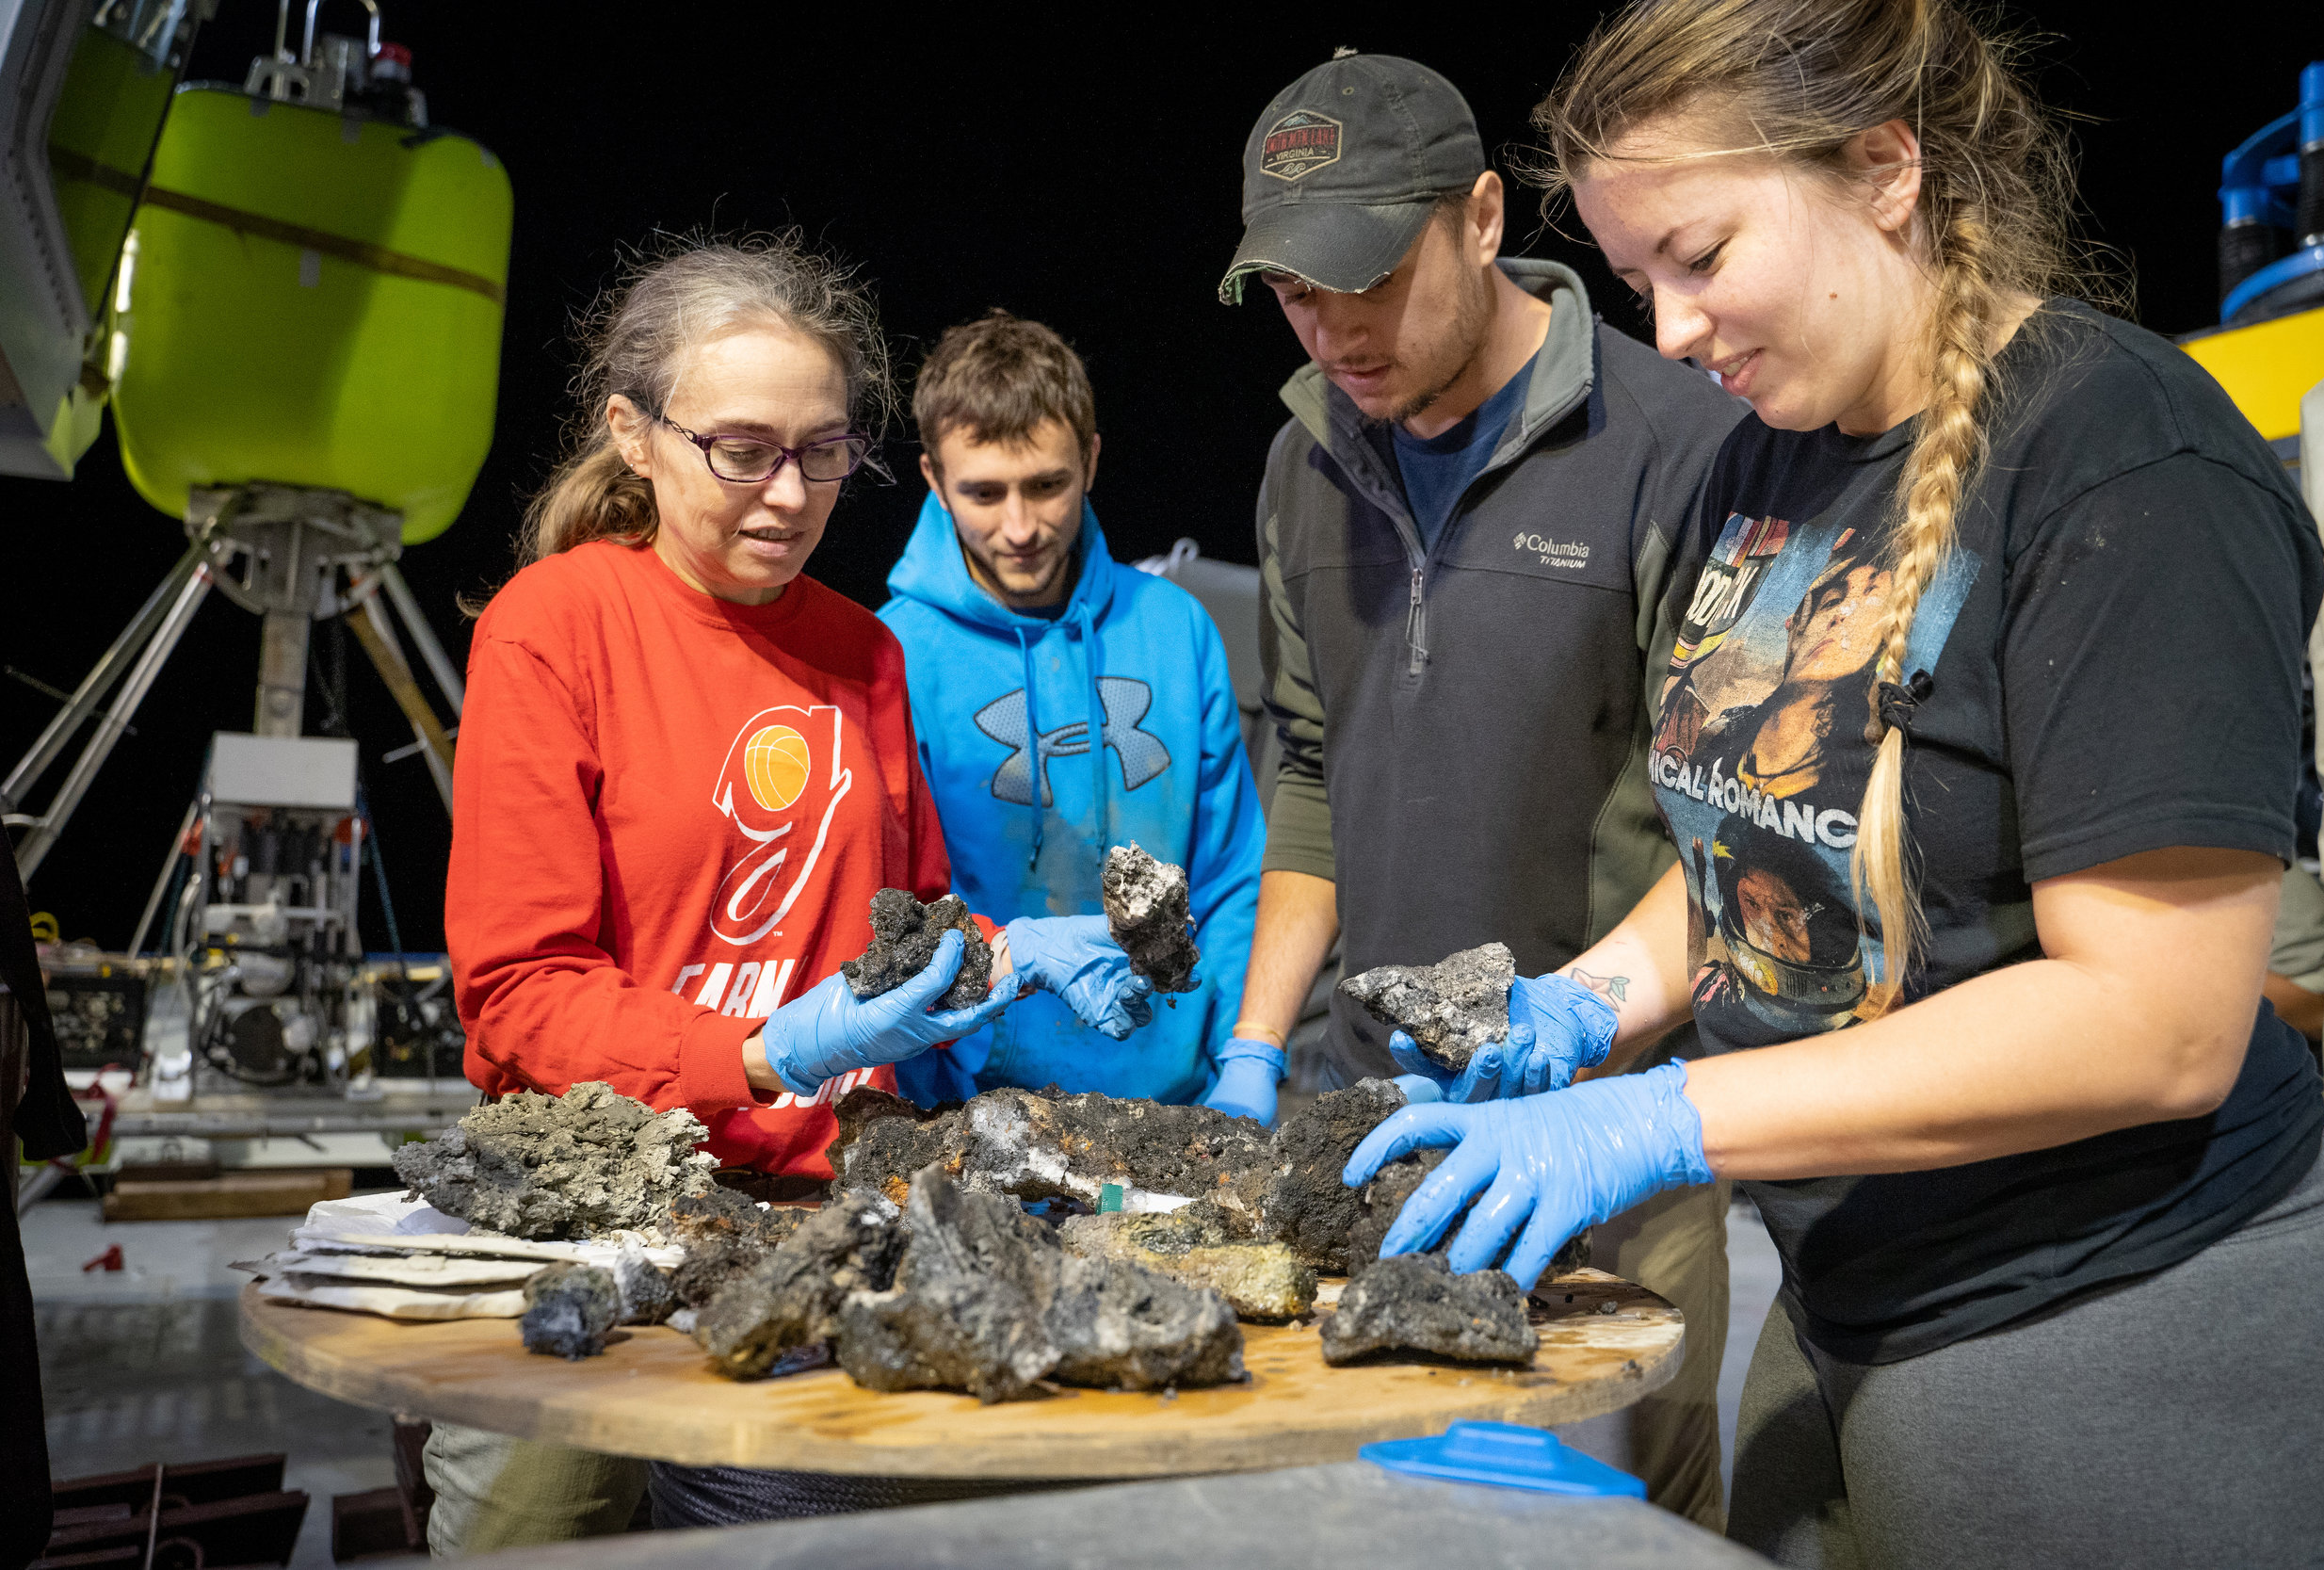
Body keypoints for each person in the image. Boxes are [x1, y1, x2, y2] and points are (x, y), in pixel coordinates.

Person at [1347, 4, 2324, 1564]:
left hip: (2113, 1320)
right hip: (1839, 1288)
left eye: (1699, 254)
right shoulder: (1773, 456)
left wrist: (1667, 1115)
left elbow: (2157, 1023)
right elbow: (1775, 831)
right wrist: (1588, 1006)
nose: (1671, 332)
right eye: (1634, 283)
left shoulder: (2121, 459)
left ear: (1884, 168)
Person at [433, 236, 1150, 1547]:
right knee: (536, 1526)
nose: (790, 493)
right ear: (633, 435)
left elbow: (907, 929)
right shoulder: (554, 626)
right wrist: (763, 1049)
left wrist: (1001, 957)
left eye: (824, 451)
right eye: (743, 449)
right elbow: (518, 997)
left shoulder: (861, 652)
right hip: (593, 1212)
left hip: (814, 1217)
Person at [1207, 51, 1747, 1525]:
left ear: (1482, 215)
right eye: (1294, 293)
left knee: (1617, 1528)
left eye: (1364, 276)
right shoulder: (1299, 465)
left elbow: (1735, 816)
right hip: (1358, 1123)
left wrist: (1583, 1013)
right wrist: (1257, 1047)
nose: (1333, 329)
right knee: (1365, 1525)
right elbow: (1308, 771)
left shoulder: (1677, 444)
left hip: (1606, 1141)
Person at [880, 311, 1264, 1106]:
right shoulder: (893, 655)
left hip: (1177, 1096)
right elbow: (896, 912)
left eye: (1046, 485)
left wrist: (1243, 1058)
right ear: (932, 480)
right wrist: (939, 1086)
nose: (1019, 527)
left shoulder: (1174, 627)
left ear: (1089, 460)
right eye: (983, 492)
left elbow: (1231, 873)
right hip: (974, 1100)